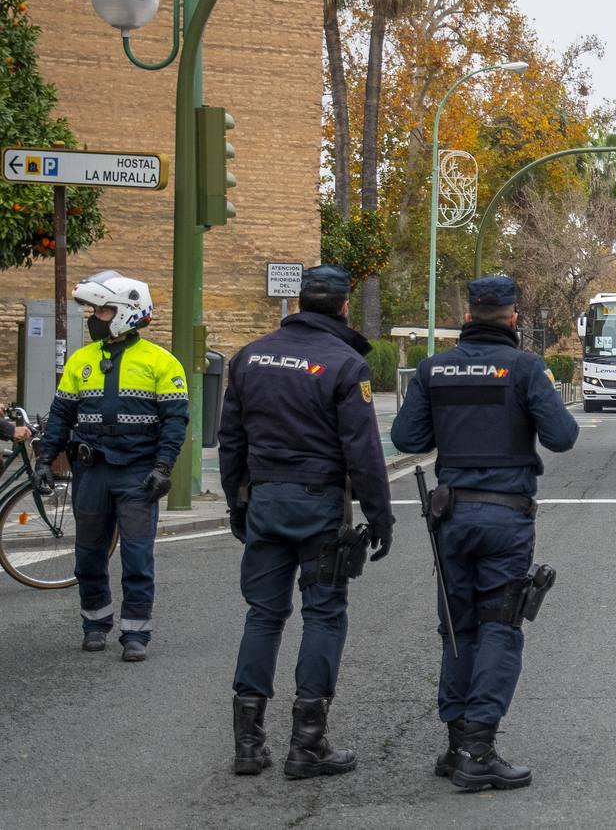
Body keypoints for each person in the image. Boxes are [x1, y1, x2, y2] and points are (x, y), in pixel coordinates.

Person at [391, 275, 579, 791]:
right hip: (505, 519)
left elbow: (406, 437)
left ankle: (455, 746)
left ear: (468, 314)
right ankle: (479, 749)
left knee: (456, 626)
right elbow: (562, 437)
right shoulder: (525, 368)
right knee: (500, 625)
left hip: (450, 516)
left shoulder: (433, 370)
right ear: (514, 317)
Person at [218, 264, 395, 779]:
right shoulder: (344, 364)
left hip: (265, 501)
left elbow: (231, 440)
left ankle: (248, 745)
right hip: (318, 507)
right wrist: (380, 517)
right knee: (323, 614)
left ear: (299, 301)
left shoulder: (250, 357)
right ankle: (307, 744)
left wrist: (237, 502)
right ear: (343, 306)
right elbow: (362, 452)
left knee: (264, 615)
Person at [35, 271, 187, 661]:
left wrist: (163, 467)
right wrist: (44, 459)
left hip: (138, 473)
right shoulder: (80, 361)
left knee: (137, 556)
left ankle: (136, 633)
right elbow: (61, 415)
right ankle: (95, 624)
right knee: (88, 553)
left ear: (125, 312)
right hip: (92, 471)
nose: (94, 317)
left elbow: (174, 422)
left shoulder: (162, 362)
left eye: (101, 310)